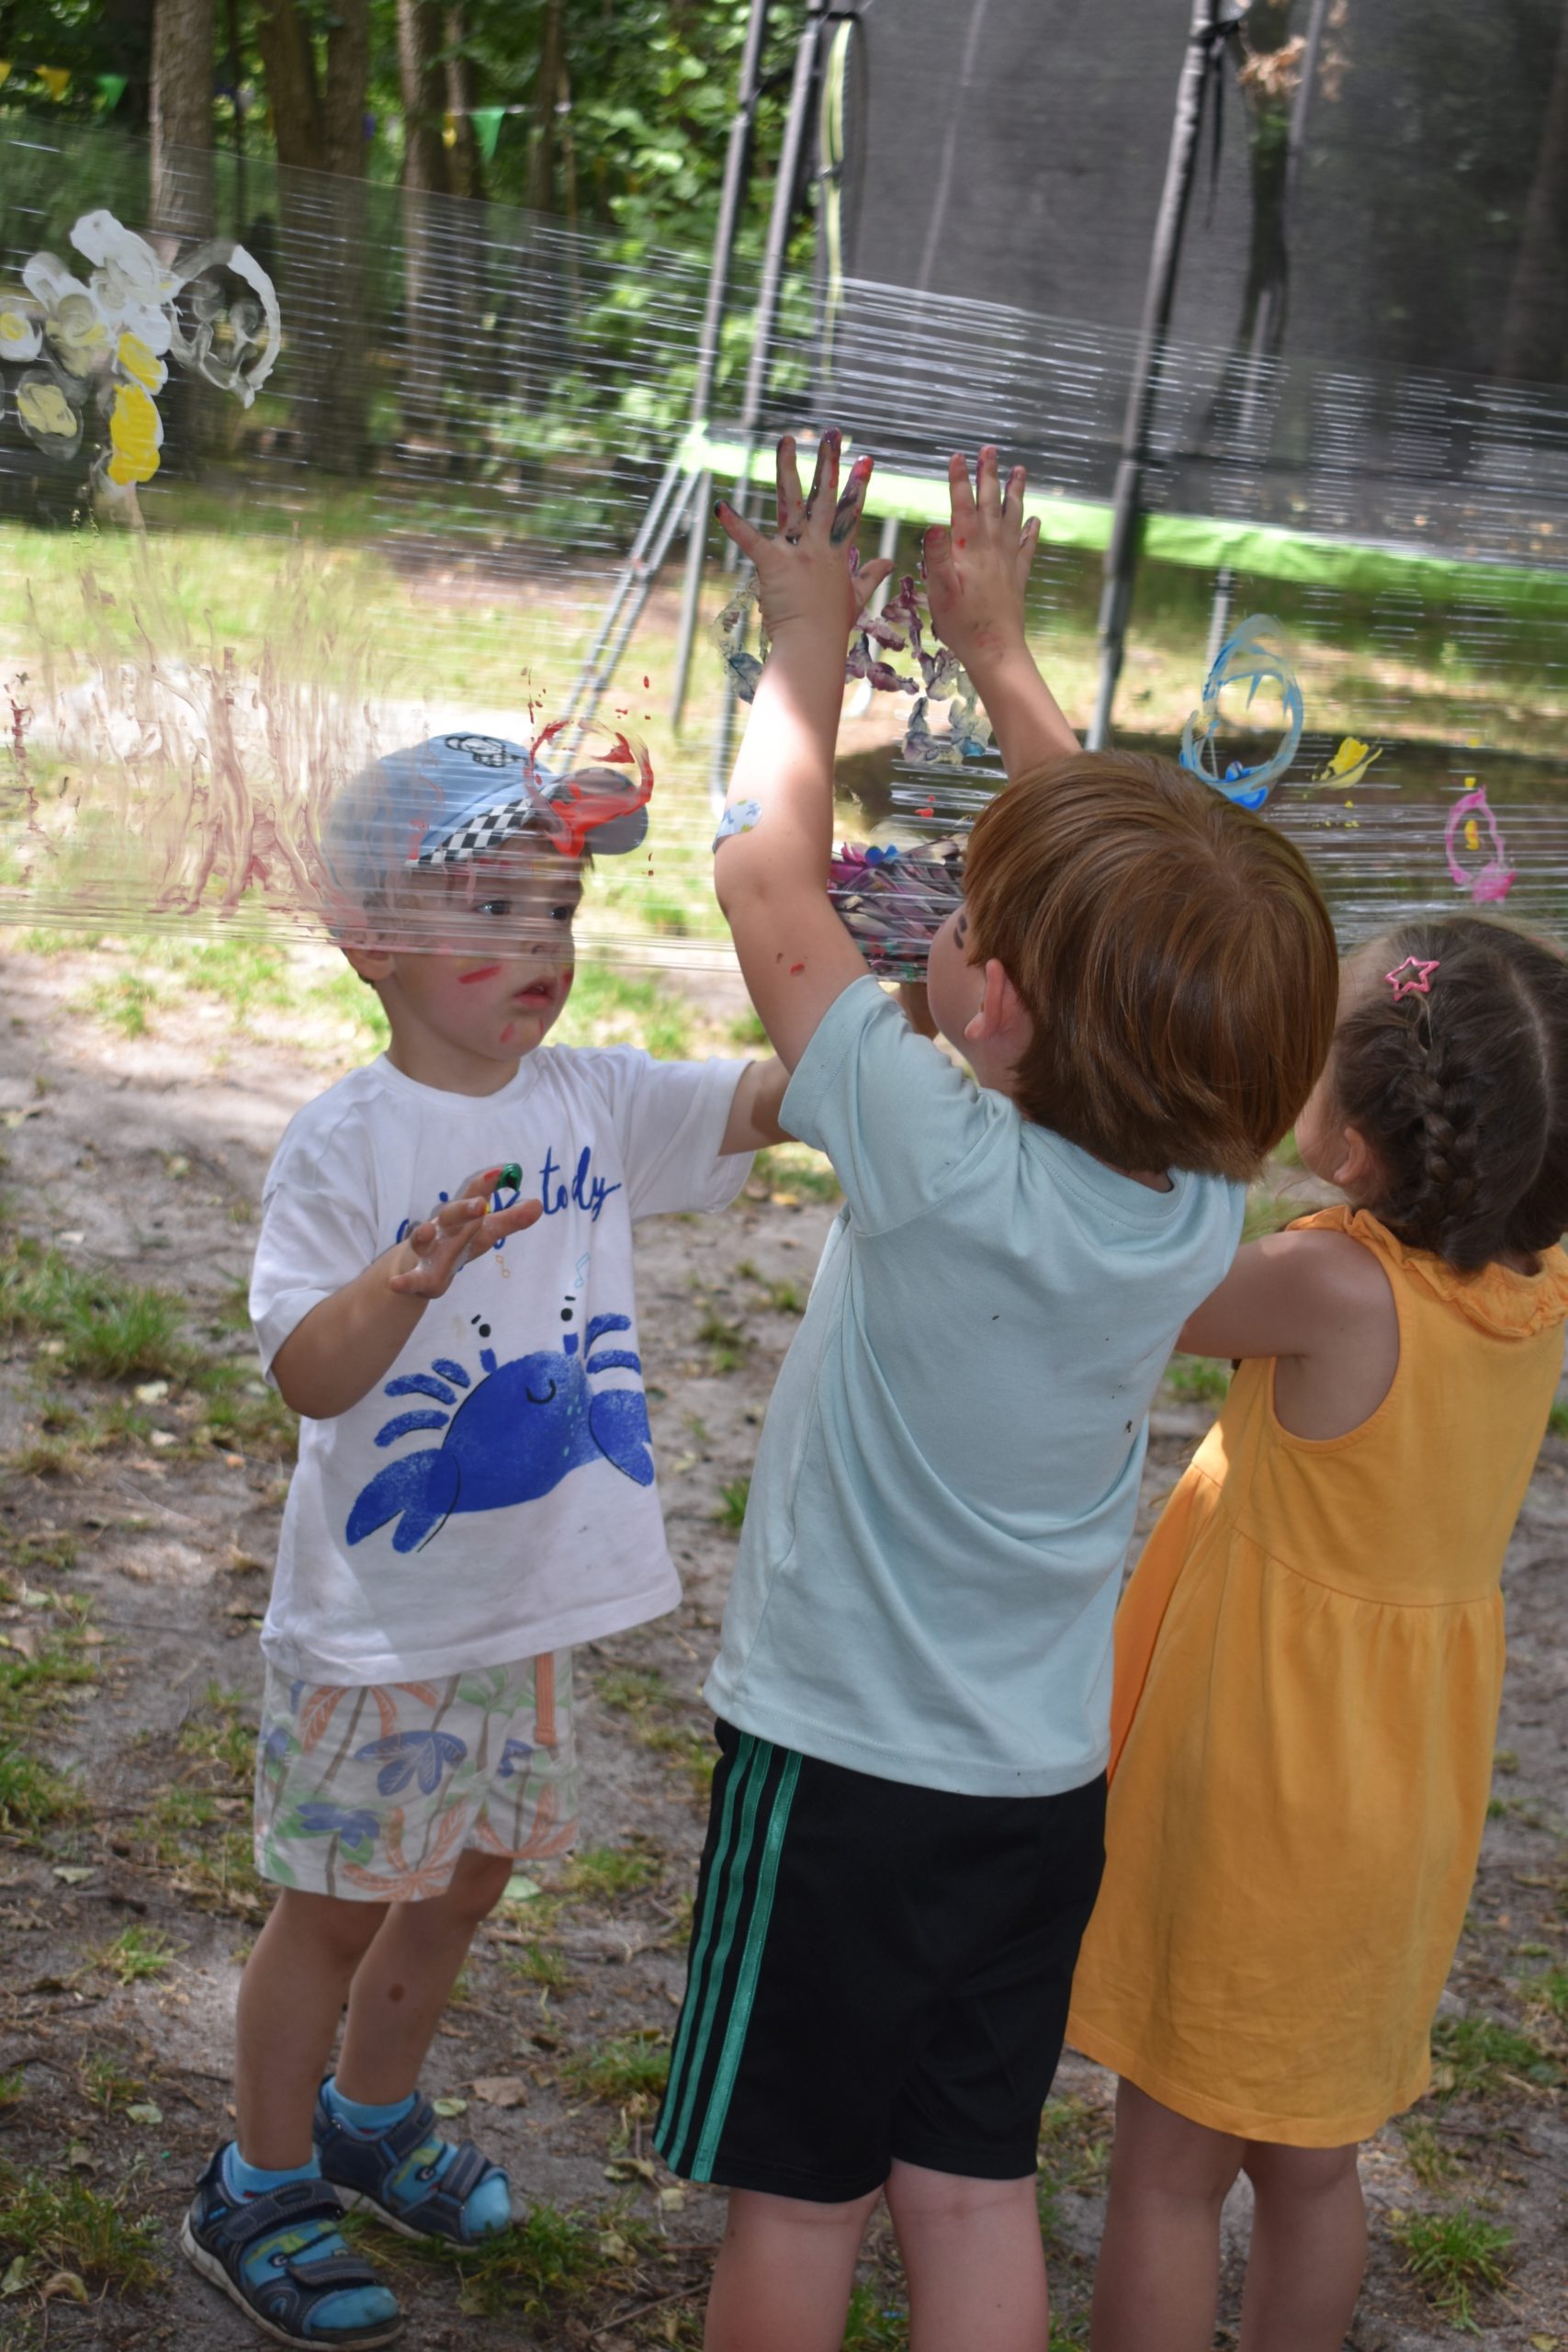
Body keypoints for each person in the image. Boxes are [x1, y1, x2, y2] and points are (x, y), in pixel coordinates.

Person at [651, 438, 1340, 2352]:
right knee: (965, 2187)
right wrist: (997, 651)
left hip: (836, 1774)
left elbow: (765, 875)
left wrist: (803, 640)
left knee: (796, 2200)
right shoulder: (1191, 1195)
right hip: (1035, 1791)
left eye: (963, 910)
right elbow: (1152, 929)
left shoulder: (925, 1145)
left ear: (1002, 1008)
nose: (941, 919)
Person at [181, 732, 789, 2350]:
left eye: (561, 910)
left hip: (520, 1619)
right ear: (368, 940)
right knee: (332, 1911)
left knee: (461, 1882)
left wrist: (891, 995)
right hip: (379, 1631)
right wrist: (400, 1282)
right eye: (497, 907)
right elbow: (309, 1376)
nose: (544, 944)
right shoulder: (348, 1141)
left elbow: (766, 1100)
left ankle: (370, 2119)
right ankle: (257, 2182)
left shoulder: (592, 1098)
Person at [1067, 913, 1568, 2352]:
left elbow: (1138, 1301)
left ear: (1354, 1148)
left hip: (1261, 1781)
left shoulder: (1332, 1282)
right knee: (1311, 2162)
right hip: (1401, 1793)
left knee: (1168, 2174)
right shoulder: (1534, 1288)